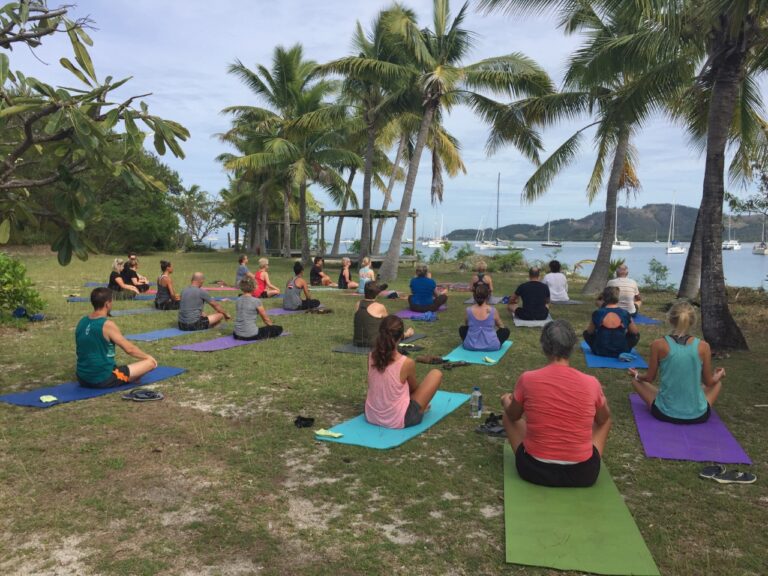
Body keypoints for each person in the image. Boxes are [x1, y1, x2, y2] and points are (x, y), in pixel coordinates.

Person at [501, 320, 612, 488]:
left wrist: (506, 401)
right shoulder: (591, 383)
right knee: (606, 420)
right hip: (583, 474)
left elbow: (513, 415)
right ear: (572, 347)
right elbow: (603, 419)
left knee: (507, 415)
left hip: (534, 470)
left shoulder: (528, 379)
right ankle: (576, 453)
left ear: (544, 346)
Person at [629, 301, 725, 424]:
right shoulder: (703, 346)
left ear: (670, 319)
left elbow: (649, 378)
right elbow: (709, 382)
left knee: (636, 382)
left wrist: (637, 375)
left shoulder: (658, 344)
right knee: (717, 384)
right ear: (693, 321)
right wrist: (719, 374)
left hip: (664, 413)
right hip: (698, 415)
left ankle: (670, 397)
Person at [365, 315, 442, 429]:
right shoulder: (406, 362)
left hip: (372, 415)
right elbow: (414, 390)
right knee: (436, 374)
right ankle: (419, 409)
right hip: (399, 419)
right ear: (401, 337)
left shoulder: (371, 356)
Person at [75, 287, 157, 388]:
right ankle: (132, 376)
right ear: (107, 304)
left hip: (82, 378)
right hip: (102, 379)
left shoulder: (82, 321)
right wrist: (147, 357)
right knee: (150, 363)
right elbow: (129, 349)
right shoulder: (107, 325)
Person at [584, 286, 640, 358]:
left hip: (600, 350)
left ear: (604, 298)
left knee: (586, 333)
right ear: (618, 298)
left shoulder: (598, 313)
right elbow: (634, 332)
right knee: (635, 335)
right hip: (621, 350)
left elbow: (589, 332)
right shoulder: (625, 313)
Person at [353, 281, 413, 347]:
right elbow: (390, 326)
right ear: (377, 293)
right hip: (374, 342)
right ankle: (406, 334)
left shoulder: (358, 304)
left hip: (357, 341)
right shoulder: (379, 307)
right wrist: (404, 335)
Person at [460, 283, 510, 351]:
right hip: (492, 345)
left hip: (470, 345)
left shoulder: (468, 310)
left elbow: (467, 325)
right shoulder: (493, 310)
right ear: (488, 296)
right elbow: (501, 326)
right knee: (505, 331)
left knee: (462, 329)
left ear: (474, 296)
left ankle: (473, 342)